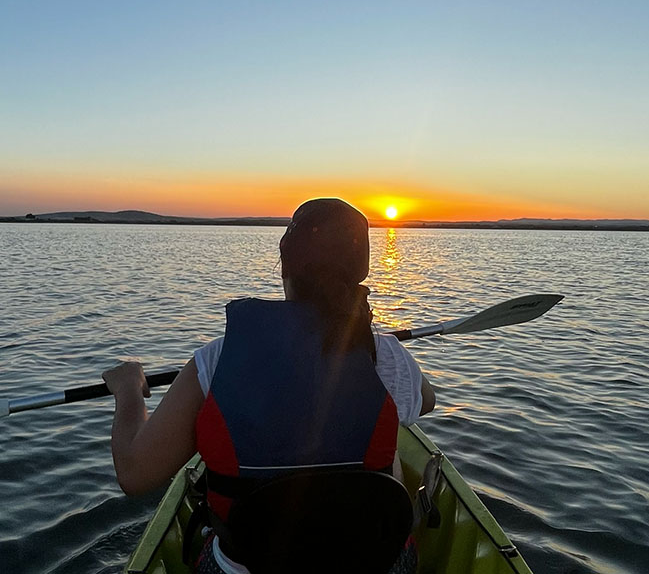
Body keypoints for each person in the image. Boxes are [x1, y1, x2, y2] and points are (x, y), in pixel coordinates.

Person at [103, 198, 435, 574]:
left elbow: (133, 473)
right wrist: (380, 346)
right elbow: (426, 401)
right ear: (360, 274)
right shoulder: (384, 355)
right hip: (373, 564)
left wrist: (129, 386)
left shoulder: (217, 359)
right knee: (390, 457)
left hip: (247, 565)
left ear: (285, 269)